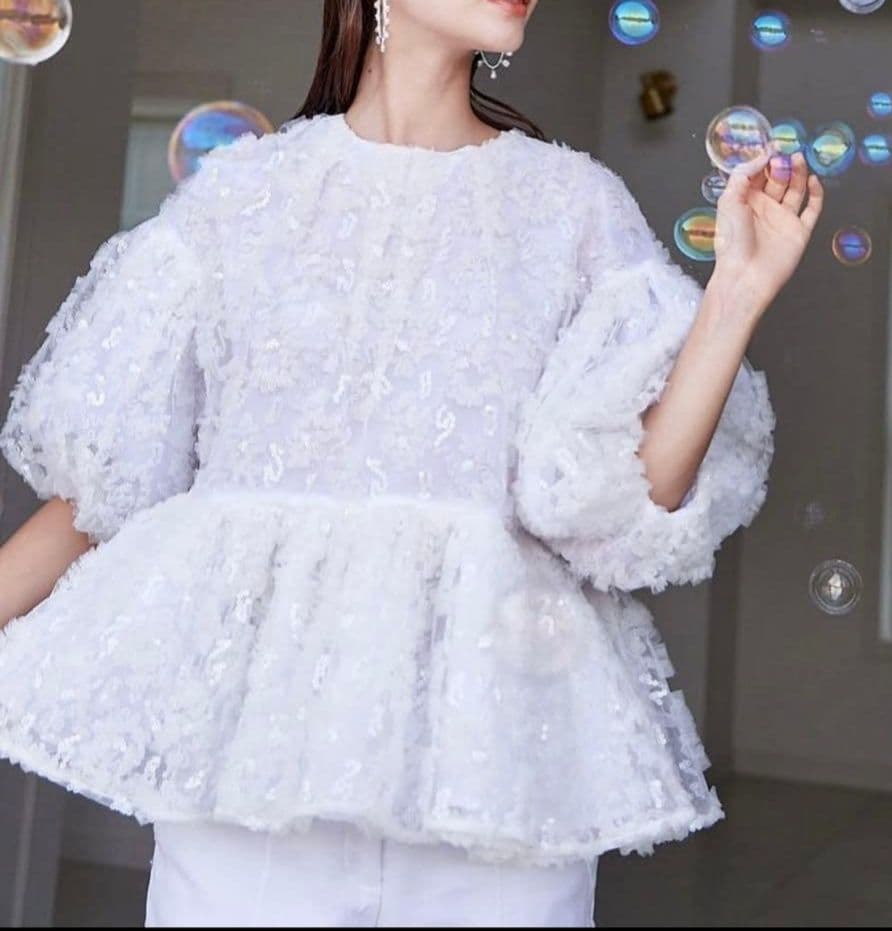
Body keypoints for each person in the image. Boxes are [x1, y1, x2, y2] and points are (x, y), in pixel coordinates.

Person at [0, 0, 823, 927]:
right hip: (249, 782)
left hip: (497, 780)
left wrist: (737, 293)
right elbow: (104, 494)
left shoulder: (572, 206)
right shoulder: (238, 201)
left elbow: (622, 503)